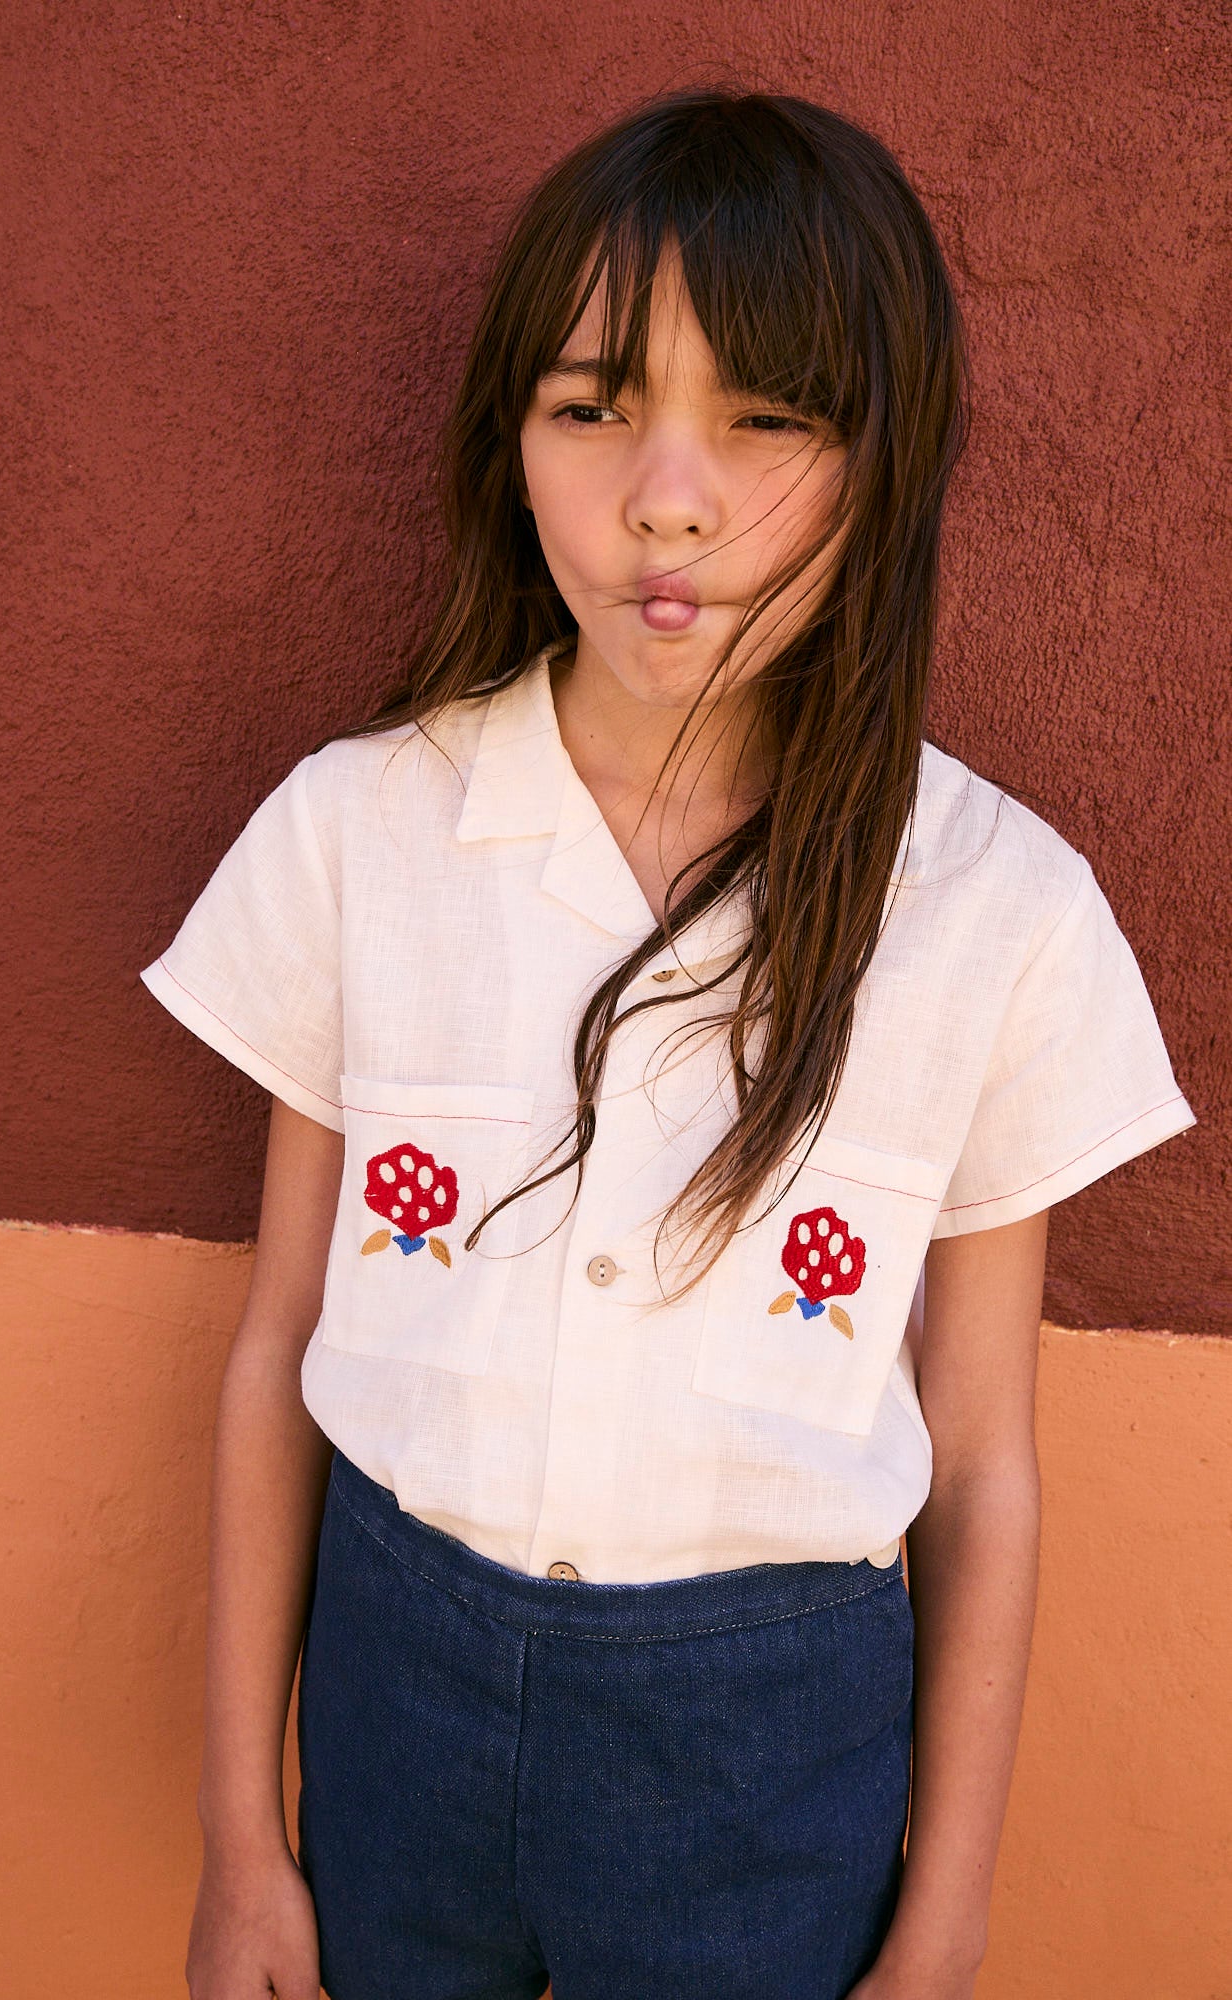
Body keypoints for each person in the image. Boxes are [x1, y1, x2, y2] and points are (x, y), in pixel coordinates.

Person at [140, 88, 1197, 2000]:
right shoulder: (359, 833)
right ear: (509, 447)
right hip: (396, 1701)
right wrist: (240, 1840)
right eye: (590, 404)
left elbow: (980, 1460)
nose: (669, 497)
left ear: (885, 455)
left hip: (768, 1751)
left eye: (768, 416)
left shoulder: (993, 910)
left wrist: (942, 1923)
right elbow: (279, 1343)